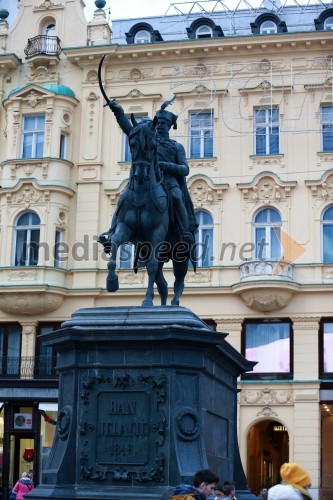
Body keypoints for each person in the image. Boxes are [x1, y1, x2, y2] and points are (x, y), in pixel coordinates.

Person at [106, 97, 197, 246]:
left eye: (164, 123)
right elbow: (130, 130)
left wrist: (167, 166)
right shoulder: (148, 138)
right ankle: (112, 231)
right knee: (123, 198)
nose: (161, 125)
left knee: (176, 196)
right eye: (159, 123)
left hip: (169, 180)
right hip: (148, 179)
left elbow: (185, 169)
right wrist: (119, 113)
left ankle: (185, 232)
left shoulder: (176, 147)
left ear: (169, 126)